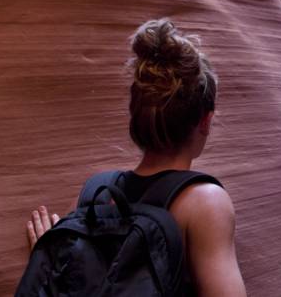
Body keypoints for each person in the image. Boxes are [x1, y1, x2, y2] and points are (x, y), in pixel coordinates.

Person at [23, 18, 246, 297]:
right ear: (205, 120)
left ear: (136, 114)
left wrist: (48, 261)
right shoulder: (205, 203)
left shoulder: (95, 191)